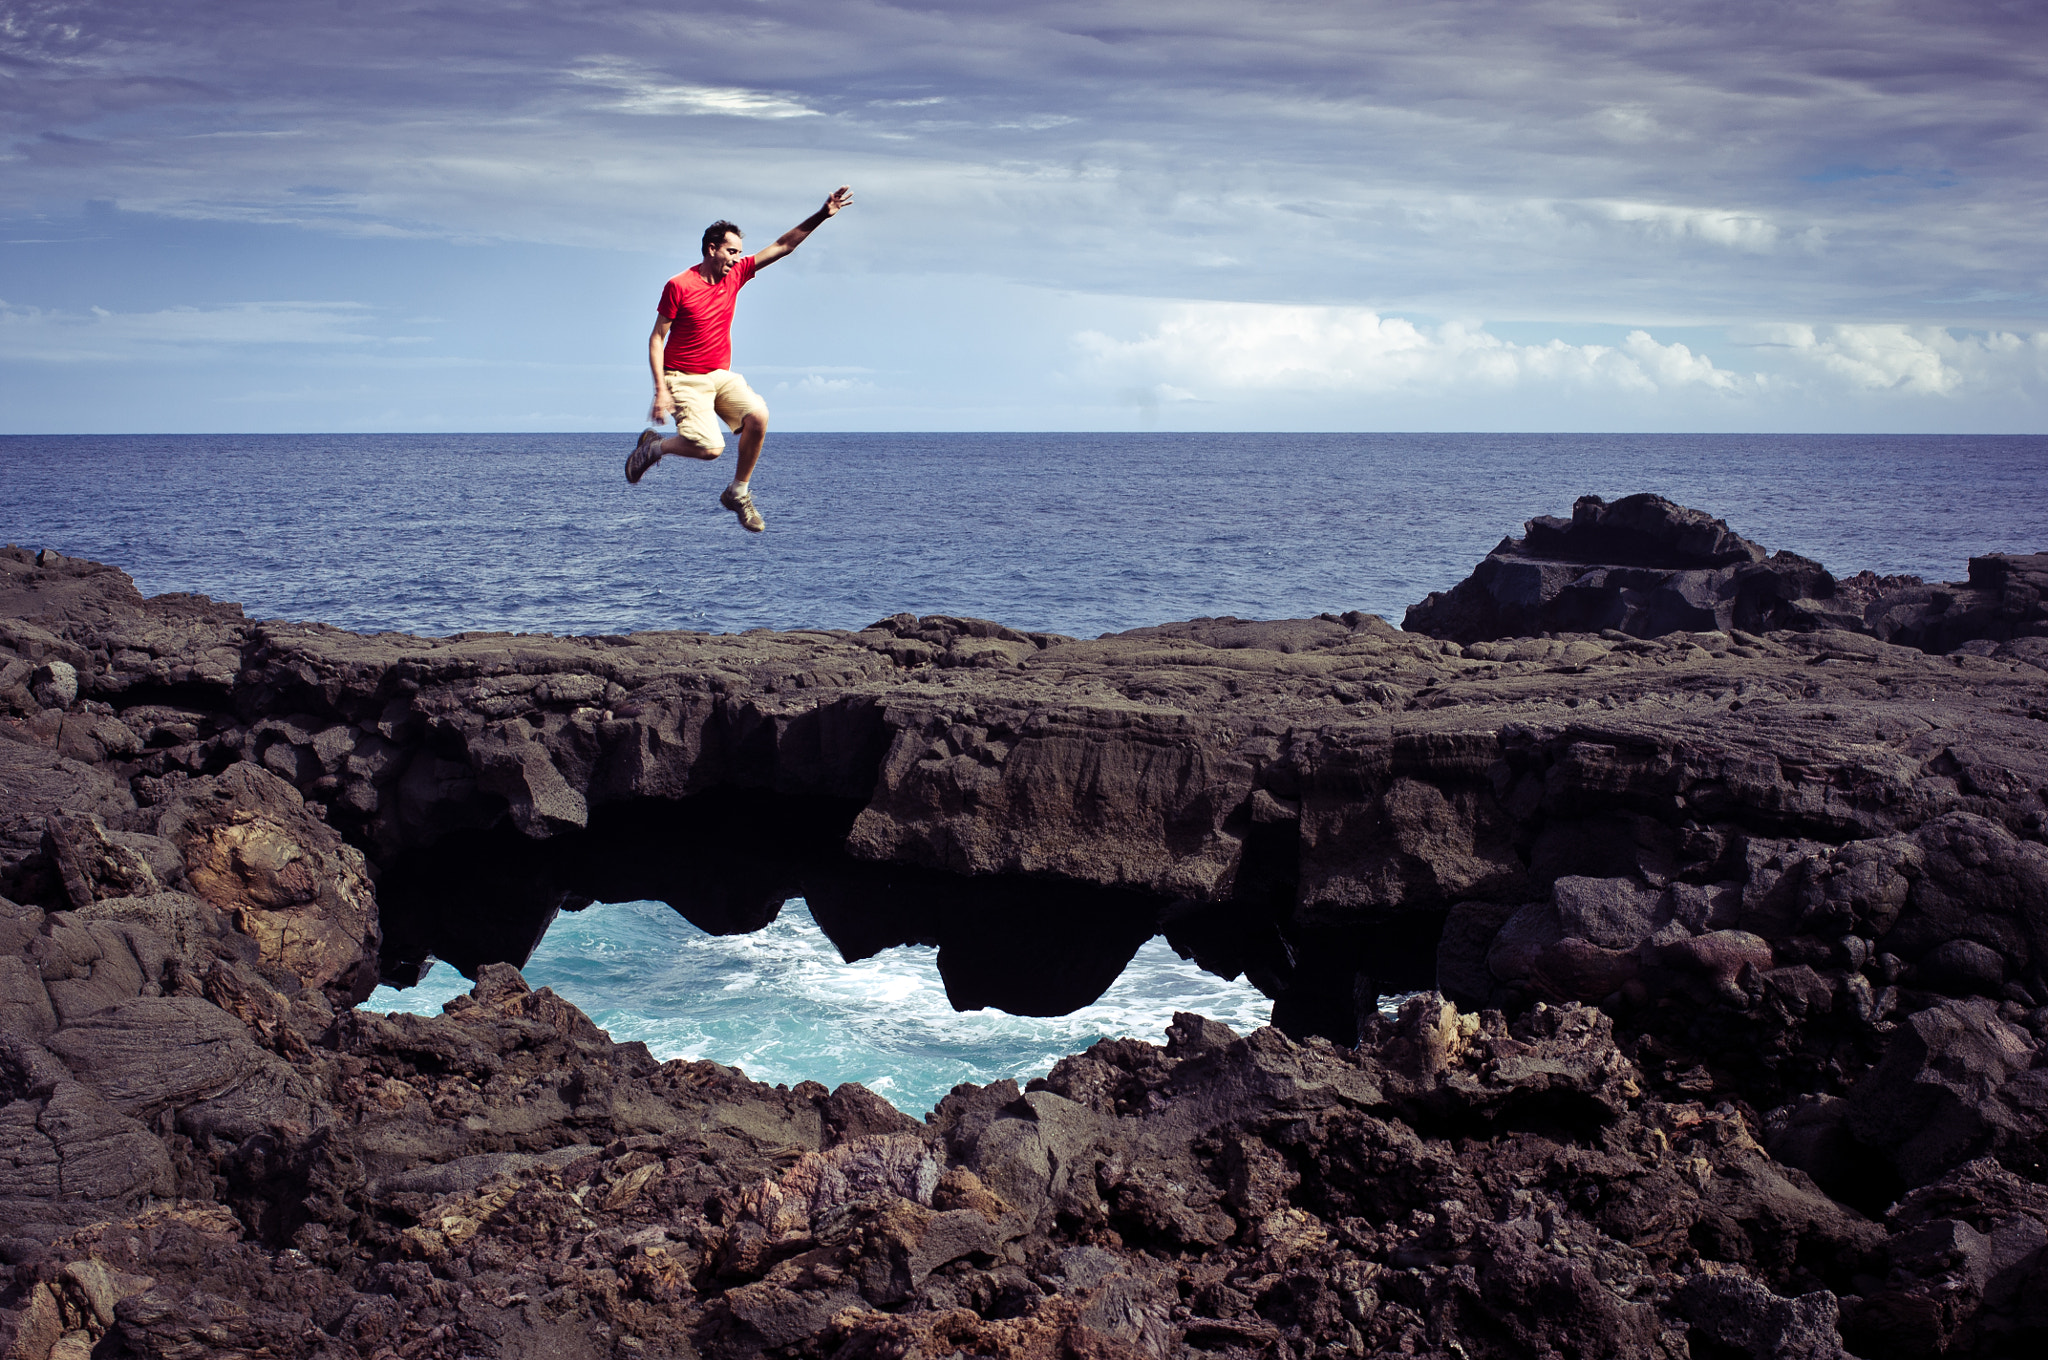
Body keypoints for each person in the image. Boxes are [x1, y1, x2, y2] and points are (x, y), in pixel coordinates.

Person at [625, 186, 855, 533]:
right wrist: (661, 390)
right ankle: (654, 448)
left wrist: (823, 214)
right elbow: (657, 338)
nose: (736, 258)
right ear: (711, 248)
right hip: (683, 377)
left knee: (759, 417)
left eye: (739, 253)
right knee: (710, 448)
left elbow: (783, 246)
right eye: (731, 251)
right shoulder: (679, 286)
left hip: (719, 374)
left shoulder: (735, 275)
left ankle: (738, 492)